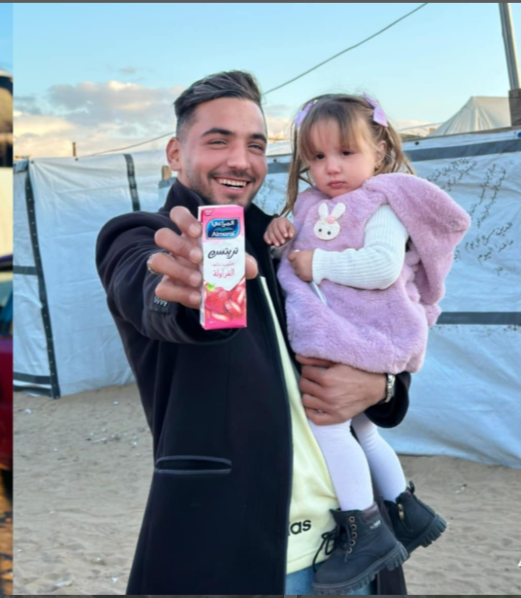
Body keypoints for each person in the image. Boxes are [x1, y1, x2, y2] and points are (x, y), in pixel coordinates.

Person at [95, 71, 412, 595]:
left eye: (257, 146)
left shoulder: (290, 236)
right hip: (236, 550)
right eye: (218, 141)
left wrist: (383, 386)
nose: (241, 161)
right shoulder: (142, 236)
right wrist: (192, 291)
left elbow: (372, 321)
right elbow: (149, 291)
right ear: (175, 153)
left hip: (358, 548)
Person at [265, 93, 468, 593]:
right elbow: (295, 253)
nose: (330, 167)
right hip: (347, 334)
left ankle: (366, 528)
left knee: (330, 427)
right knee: (364, 431)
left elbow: (381, 268)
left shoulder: (381, 203)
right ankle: (405, 508)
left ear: (378, 150)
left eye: (345, 152)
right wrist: (282, 233)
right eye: (317, 157)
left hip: (365, 333)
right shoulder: (312, 205)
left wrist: (318, 264)